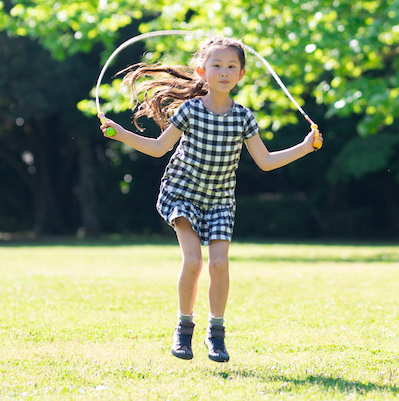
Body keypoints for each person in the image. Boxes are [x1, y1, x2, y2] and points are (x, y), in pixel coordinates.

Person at [98, 36, 323, 362]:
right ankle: (183, 329)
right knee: (193, 261)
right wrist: (121, 133)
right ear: (202, 71)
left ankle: (216, 334)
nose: (224, 71)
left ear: (241, 74)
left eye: (232, 66)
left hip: (219, 200)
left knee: (219, 263)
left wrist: (305, 146)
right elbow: (160, 148)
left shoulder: (243, 117)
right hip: (183, 193)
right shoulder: (190, 110)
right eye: (216, 65)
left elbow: (266, 160)